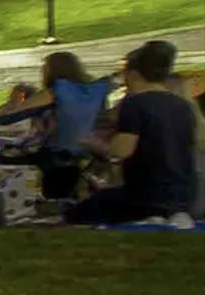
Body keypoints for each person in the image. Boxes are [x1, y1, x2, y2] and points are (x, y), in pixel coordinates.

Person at [65, 42, 199, 228]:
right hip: (184, 195)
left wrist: (93, 143)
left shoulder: (135, 104)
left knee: (78, 212)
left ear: (134, 74)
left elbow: (121, 151)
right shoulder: (183, 106)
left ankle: (150, 218)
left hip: (145, 195)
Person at [0, 51, 112, 200]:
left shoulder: (56, 91)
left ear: (52, 70)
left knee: (2, 159)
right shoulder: (95, 91)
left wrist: (10, 104)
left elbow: (12, 116)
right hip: (91, 154)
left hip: (56, 157)